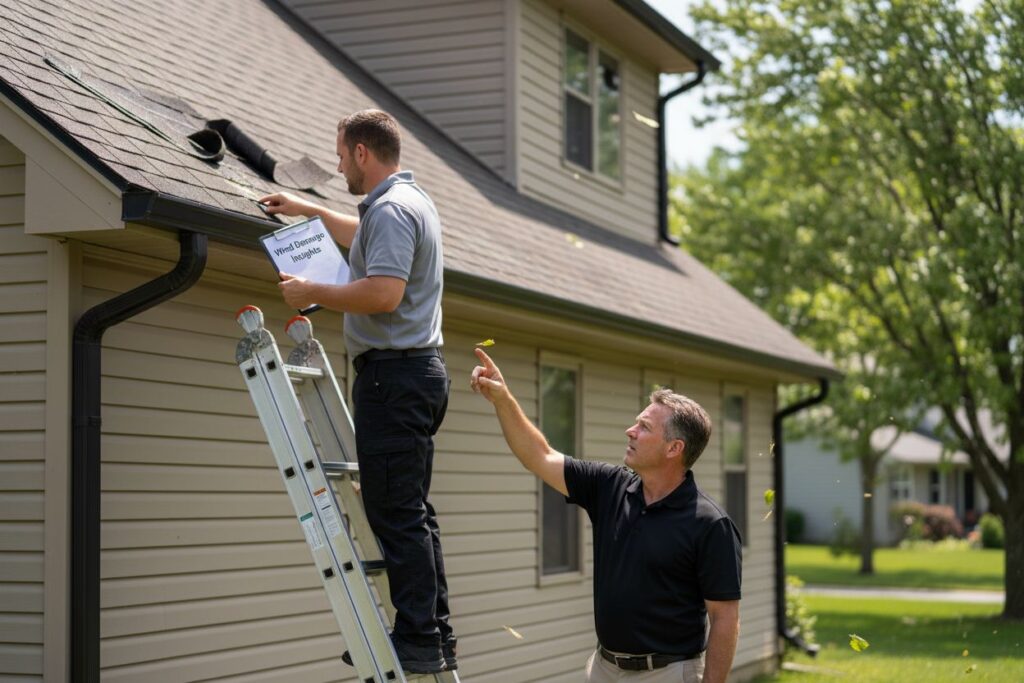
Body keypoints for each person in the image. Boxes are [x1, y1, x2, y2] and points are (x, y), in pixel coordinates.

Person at [260, 109, 454, 675]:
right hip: (415, 373)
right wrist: (310, 211)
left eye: (341, 154)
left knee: (395, 513)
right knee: (412, 512)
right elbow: (364, 239)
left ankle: (418, 639)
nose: (339, 163)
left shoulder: (391, 210)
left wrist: (310, 290)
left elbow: (384, 293)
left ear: (363, 153)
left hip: (393, 378)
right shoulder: (408, 202)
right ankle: (435, 632)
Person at [470, 348, 742, 683]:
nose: (630, 431)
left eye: (643, 427)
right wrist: (502, 398)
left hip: (668, 673)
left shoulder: (709, 523)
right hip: (603, 668)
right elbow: (539, 456)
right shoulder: (609, 486)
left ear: (674, 448)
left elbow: (724, 617)